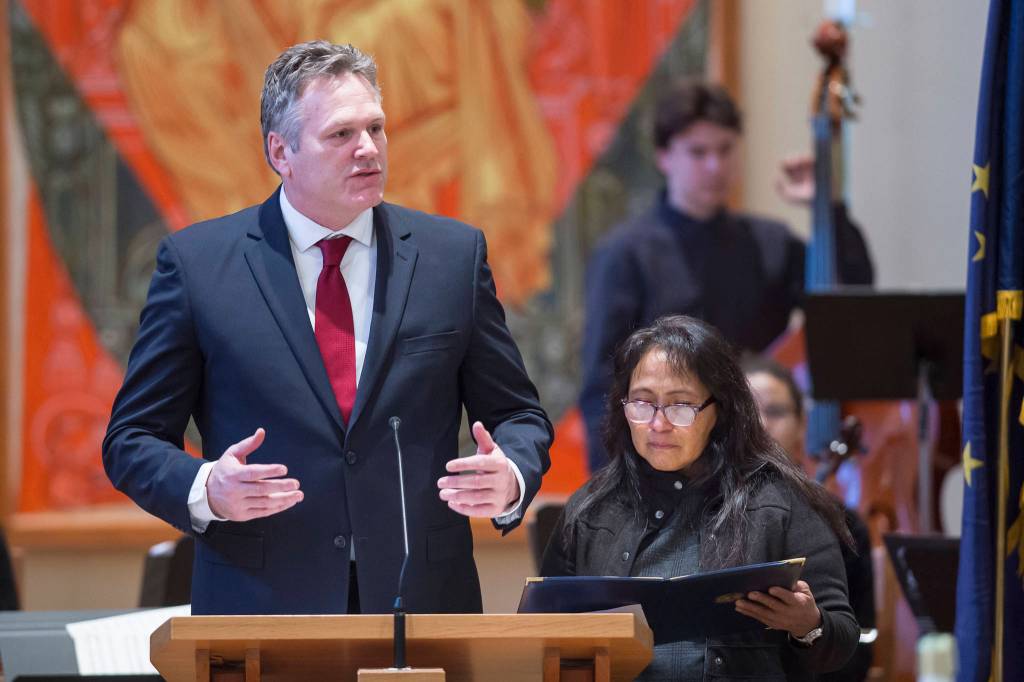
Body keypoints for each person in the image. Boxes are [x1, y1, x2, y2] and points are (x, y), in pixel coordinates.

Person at [102, 41, 553, 615]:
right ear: (281, 151)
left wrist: (509, 474)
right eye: (341, 134)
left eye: (376, 129)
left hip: (422, 602)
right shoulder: (198, 266)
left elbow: (518, 414)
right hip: (262, 606)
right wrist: (206, 489)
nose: (368, 149)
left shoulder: (451, 257)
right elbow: (132, 438)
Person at [579, 80, 874, 471]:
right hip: (665, 463)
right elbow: (602, 383)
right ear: (664, 157)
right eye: (698, 152)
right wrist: (614, 485)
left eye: (725, 149)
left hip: (757, 459)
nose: (715, 166)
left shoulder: (771, 244)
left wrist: (828, 208)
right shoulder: (624, 254)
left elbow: (851, 303)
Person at [543, 315, 858, 681]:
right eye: (642, 403)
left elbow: (841, 640)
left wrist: (808, 624)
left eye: (680, 406)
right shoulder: (592, 508)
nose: (658, 424)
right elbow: (543, 631)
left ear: (719, 411)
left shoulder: (782, 501)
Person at [743, 356, 875, 682]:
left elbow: (858, 652)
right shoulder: (700, 508)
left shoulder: (845, 524)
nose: (761, 424)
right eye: (748, 411)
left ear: (802, 424)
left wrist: (811, 627)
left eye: (775, 412)